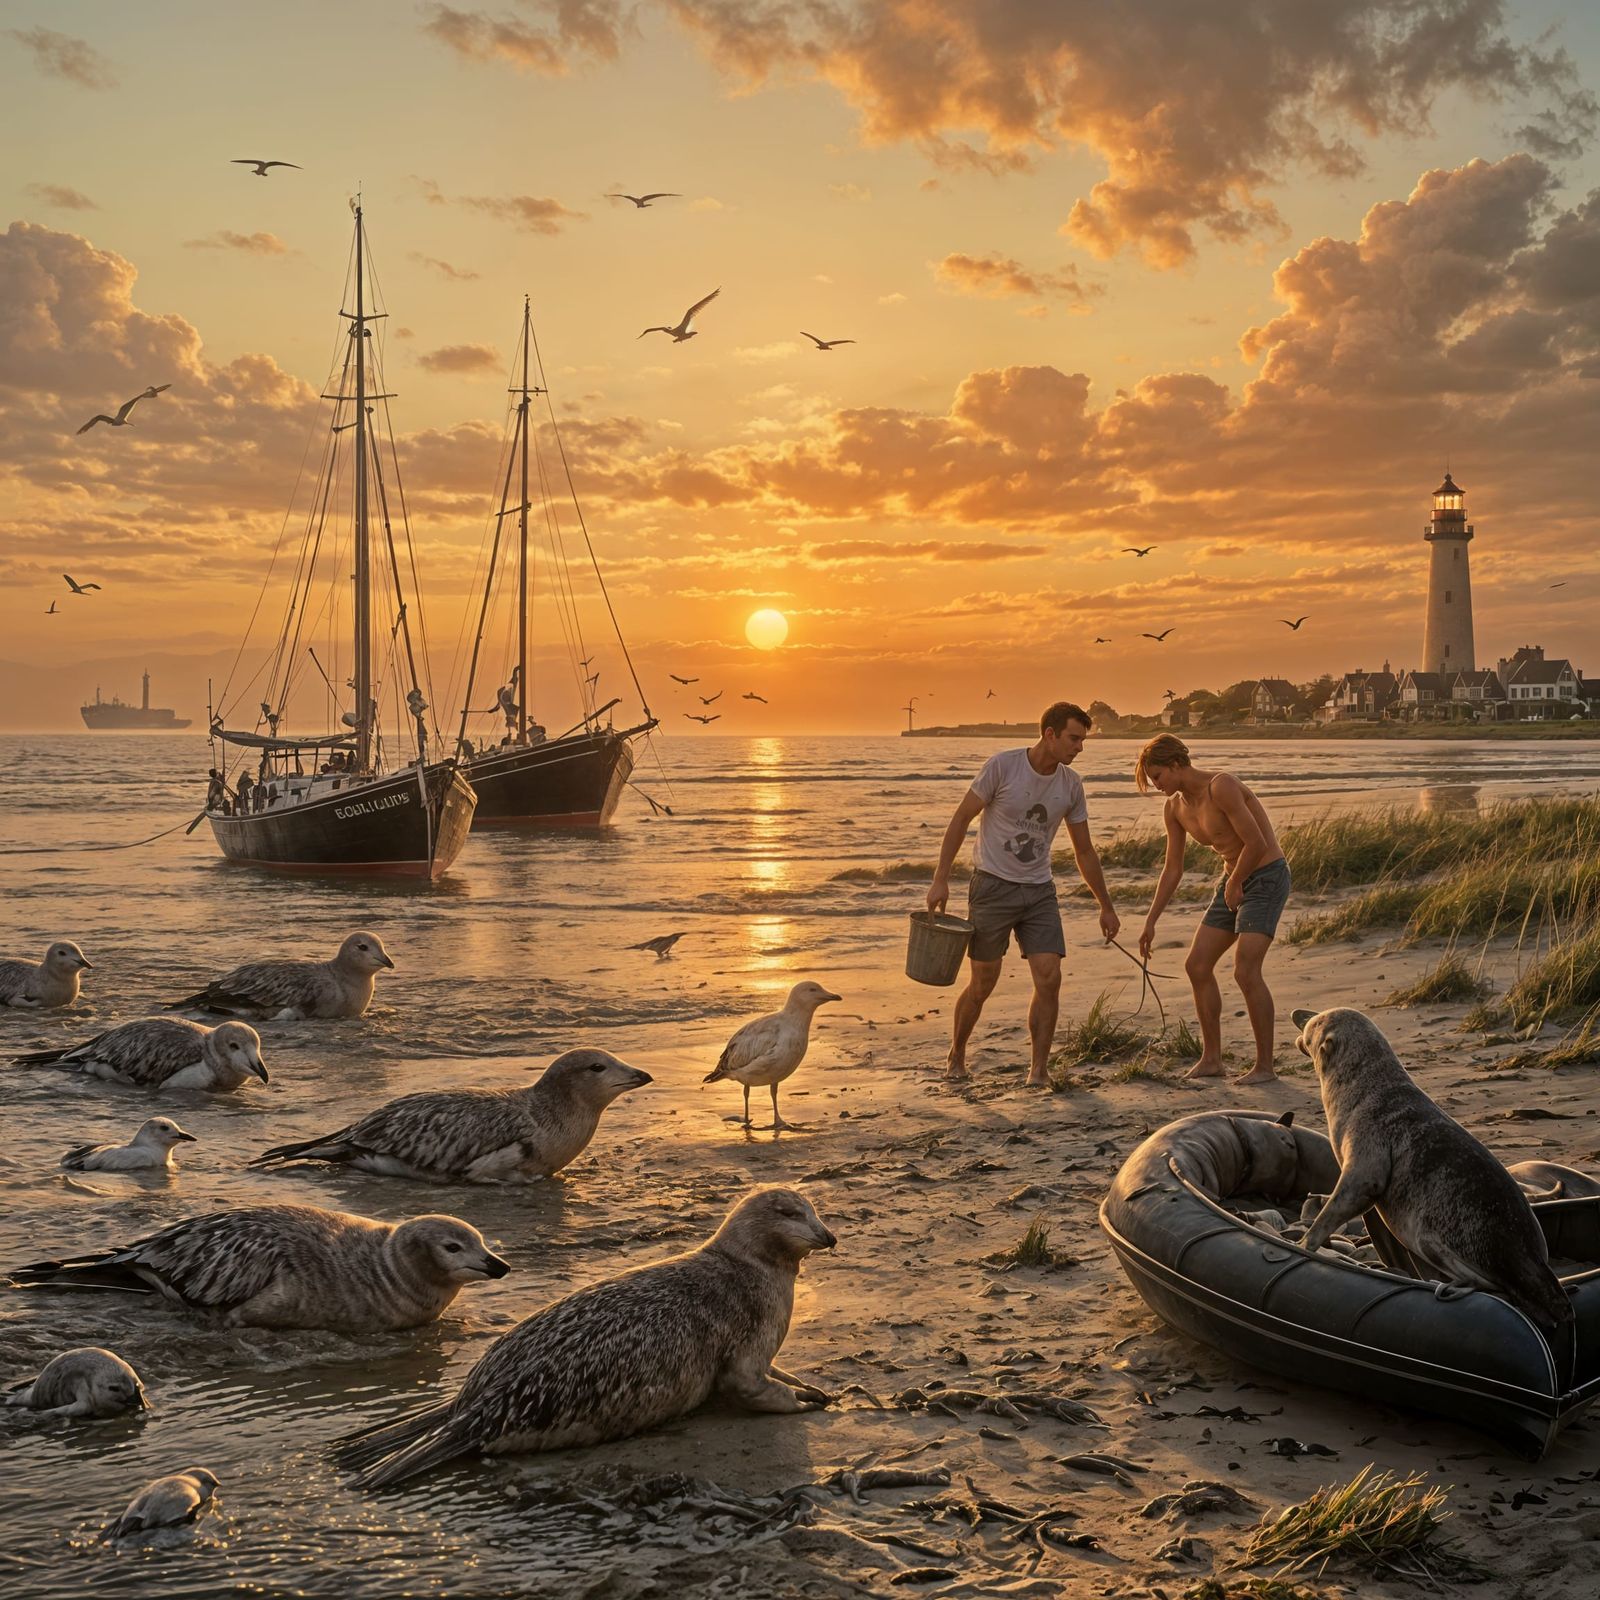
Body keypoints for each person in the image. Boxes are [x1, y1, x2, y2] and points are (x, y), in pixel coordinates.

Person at [927, 701, 1120, 1088]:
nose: (1079, 747)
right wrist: (940, 879)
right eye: (1074, 738)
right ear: (1050, 734)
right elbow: (962, 817)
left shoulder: (1071, 784)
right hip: (992, 887)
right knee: (982, 983)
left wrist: (1106, 906)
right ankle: (957, 1055)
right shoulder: (1003, 766)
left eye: (1082, 739)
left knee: (1049, 977)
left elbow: (1084, 850)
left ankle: (1038, 1070)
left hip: (1039, 892)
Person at [1134, 735, 1291, 1086]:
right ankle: (1211, 1059)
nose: (1157, 786)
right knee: (1197, 965)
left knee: (1246, 969)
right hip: (1232, 879)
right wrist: (1151, 920)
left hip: (1265, 875)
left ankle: (1265, 1067)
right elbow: (1172, 868)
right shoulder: (1174, 808)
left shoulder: (1222, 786)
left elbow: (1257, 842)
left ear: (1176, 764)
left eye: (1158, 776)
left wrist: (1236, 882)